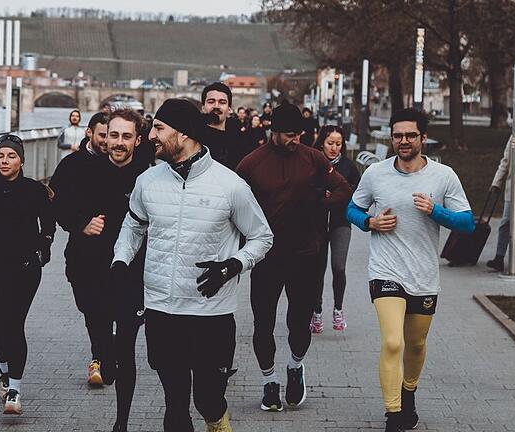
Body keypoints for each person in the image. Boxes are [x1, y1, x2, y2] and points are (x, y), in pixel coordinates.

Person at [112, 98, 273, 432]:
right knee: (175, 405)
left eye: (158, 128)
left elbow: (262, 237)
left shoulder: (230, 186)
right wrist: (120, 260)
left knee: (208, 401)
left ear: (183, 134)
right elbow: (133, 225)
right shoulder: (148, 180)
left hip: (211, 311)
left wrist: (232, 265)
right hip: (161, 308)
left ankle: (218, 421)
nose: (151, 135)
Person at [346, 108, 475, 431]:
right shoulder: (376, 173)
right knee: (393, 342)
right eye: (398, 135)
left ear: (423, 138)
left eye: (410, 135)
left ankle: (409, 392)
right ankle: (393, 413)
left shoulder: (444, 176)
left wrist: (435, 211)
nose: (403, 141)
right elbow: (352, 208)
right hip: (385, 270)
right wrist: (370, 222)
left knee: (415, 344)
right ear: (391, 138)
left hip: (424, 275)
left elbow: (467, 223)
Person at [236, 103, 352, 412]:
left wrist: (319, 201)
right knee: (263, 324)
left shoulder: (313, 158)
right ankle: (269, 381)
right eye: (289, 135)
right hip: (266, 256)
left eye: (299, 134)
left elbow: (343, 189)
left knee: (298, 323)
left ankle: (295, 367)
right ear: (273, 132)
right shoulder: (251, 164)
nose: (295, 140)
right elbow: (233, 207)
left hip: (305, 255)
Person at [0, 134, 55, 415]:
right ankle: (5, 371)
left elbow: (48, 225)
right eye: (0, 156)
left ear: (21, 160)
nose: (5, 161)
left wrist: (43, 250)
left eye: (11, 156)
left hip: (24, 268)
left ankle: (15, 390)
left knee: (14, 323)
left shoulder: (35, 190)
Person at [77, 109, 151, 432]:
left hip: (133, 277)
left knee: (126, 350)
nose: (117, 143)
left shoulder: (148, 178)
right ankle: (104, 361)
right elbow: (64, 206)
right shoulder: (87, 172)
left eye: (125, 136)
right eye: (112, 136)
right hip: (93, 275)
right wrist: (82, 223)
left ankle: (121, 422)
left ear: (137, 139)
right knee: (107, 361)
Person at [49, 112, 115, 386]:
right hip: (81, 251)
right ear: (89, 133)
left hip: (115, 252)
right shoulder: (70, 165)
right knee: (88, 305)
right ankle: (106, 346)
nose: (108, 142)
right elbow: (53, 203)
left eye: (112, 136)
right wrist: (80, 224)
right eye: (103, 135)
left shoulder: (123, 165)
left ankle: (100, 357)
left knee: (108, 306)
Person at [310, 125, 361, 334]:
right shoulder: (312, 162)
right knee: (317, 270)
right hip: (317, 223)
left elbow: (357, 194)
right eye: (330, 143)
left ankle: (338, 309)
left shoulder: (349, 166)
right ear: (322, 141)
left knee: (339, 267)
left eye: (338, 144)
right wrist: (322, 194)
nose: (334, 148)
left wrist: (340, 196)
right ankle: (316, 311)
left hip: (341, 223)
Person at [199, 82, 244, 169]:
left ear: (229, 109)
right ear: (203, 107)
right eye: (211, 102)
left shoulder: (239, 141)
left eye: (222, 102)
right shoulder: (193, 139)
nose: (216, 106)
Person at [486, 136, 514, 272]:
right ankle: (499, 257)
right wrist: (496, 182)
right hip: (514, 188)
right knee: (506, 222)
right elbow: (506, 161)